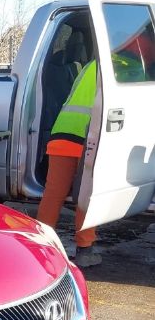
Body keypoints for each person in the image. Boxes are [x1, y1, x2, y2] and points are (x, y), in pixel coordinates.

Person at [36, 59, 101, 268]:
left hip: (62, 131)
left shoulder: (91, 65)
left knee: (53, 193)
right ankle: (85, 249)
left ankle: (40, 246)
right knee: (86, 194)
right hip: (88, 136)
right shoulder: (119, 66)